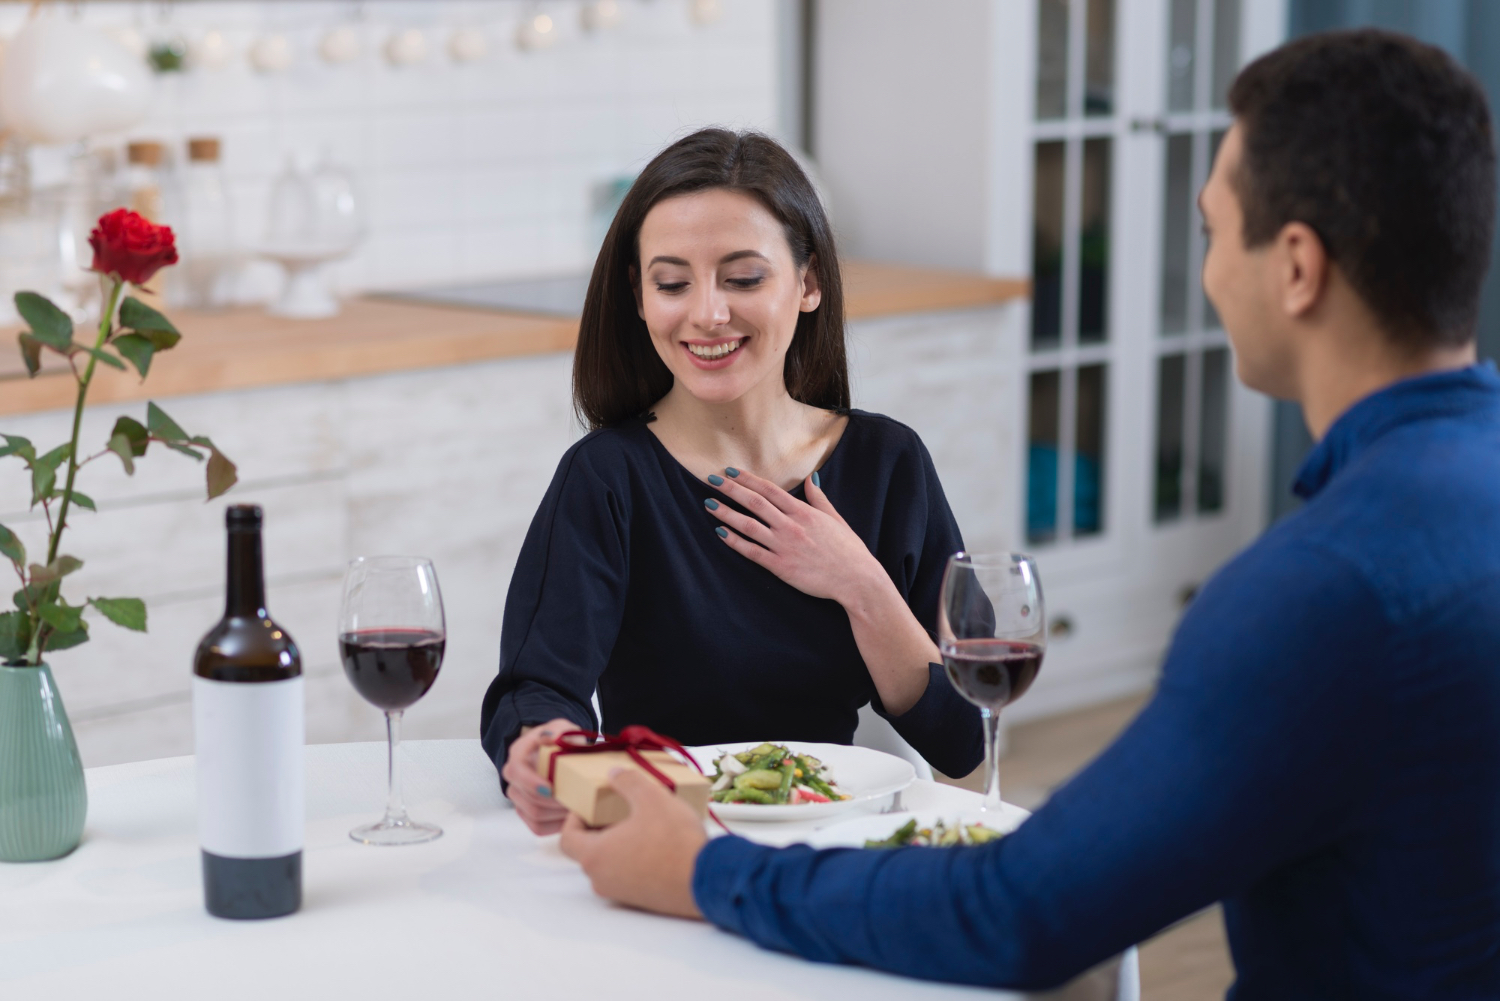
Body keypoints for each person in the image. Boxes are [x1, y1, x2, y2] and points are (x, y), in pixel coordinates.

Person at [556, 29, 1500, 998]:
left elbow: (1024, 911)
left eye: (1213, 231)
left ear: (1296, 267)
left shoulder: (1316, 590)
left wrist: (702, 870)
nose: (1208, 271)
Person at [480, 129, 983, 834]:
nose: (707, 313)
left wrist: (859, 583)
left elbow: (965, 737)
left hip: (833, 840)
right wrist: (543, 751)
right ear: (638, 295)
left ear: (807, 283)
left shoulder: (887, 462)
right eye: (672, 282)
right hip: (665, 838)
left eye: (743, 278)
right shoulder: (607, 477)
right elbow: (538, 690)